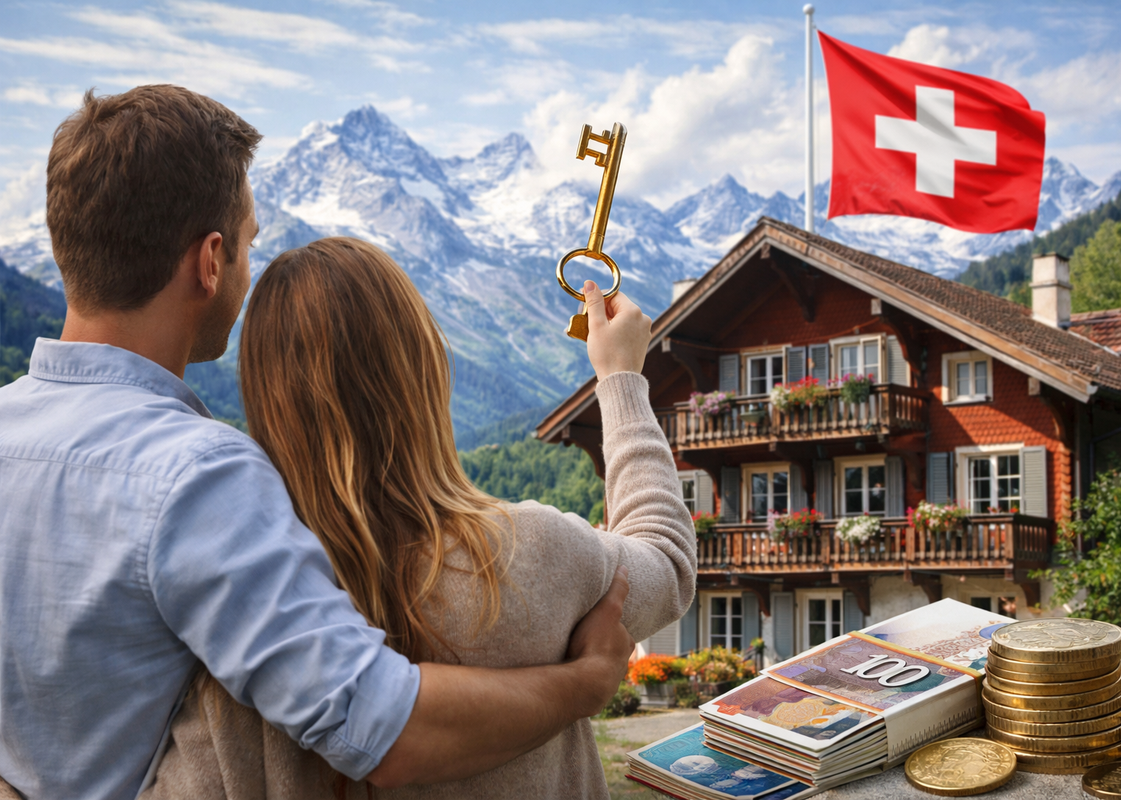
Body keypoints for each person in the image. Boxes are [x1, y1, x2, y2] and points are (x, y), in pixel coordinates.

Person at [0, 86, 663, 800]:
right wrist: (581, 686)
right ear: (211, 260)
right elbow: (381, 727)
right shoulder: (196, 474)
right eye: (249, 242)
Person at [138, 239, 696, 798]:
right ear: (422, 368)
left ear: (264, 397)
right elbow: (667, 560)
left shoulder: (248, 622)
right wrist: (620, 378)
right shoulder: (529, 554)